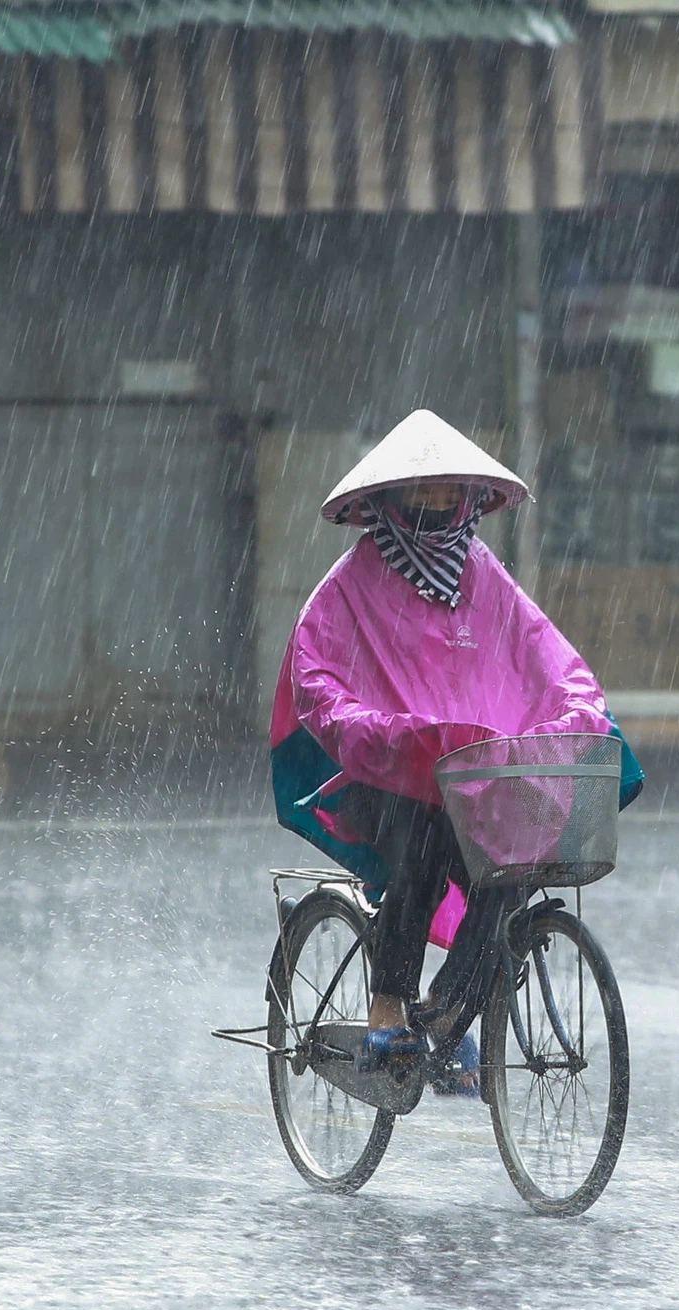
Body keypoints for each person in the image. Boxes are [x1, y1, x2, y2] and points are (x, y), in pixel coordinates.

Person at [268, 410, 643, 1089]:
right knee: (426, 839)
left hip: (474, 779)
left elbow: (550, 656)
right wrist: (382, 733)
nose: (440, 503)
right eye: (425, 491)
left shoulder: (483, 573)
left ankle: (445, 1009)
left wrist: (580, 710)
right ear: (390, 500)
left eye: (451, 491)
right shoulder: (349, 586)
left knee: (518, 865)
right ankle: (388, 1002)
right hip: (383, 777)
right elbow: (314, 683)